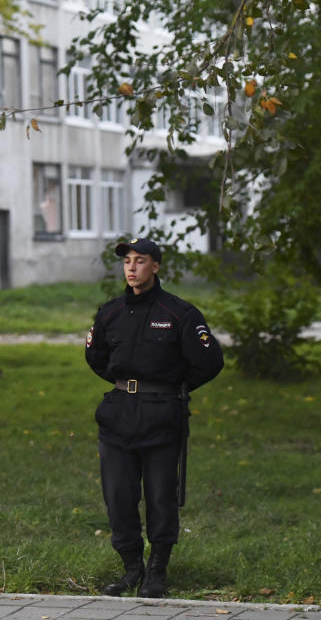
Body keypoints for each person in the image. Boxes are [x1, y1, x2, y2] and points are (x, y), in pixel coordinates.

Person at [85, 237, 224, 598]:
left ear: (156, 266)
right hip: (118, 417)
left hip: (162, 417)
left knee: (161, 497)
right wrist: (127, 385)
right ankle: (132, 568)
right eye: (127, 261)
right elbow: (96, 357)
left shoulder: (179, 313)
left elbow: (209, 362)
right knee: (118, 496)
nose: (132, 268)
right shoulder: (110, 313)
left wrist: (172, 387)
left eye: (140, 261)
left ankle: (158, 571)